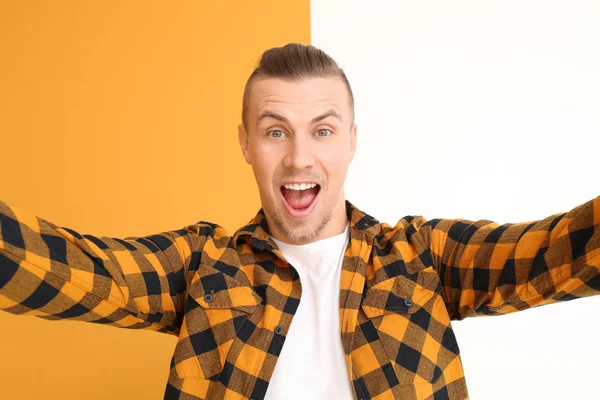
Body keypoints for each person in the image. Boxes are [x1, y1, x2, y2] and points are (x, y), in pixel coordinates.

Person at [0, 43, 598, 400]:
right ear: (245, 143)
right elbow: (75, 270)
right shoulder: (203, 266)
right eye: (275, 131)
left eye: (323, 130)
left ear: (353, 141)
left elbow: (559, 253)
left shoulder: (423, 257)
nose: (299, 158)